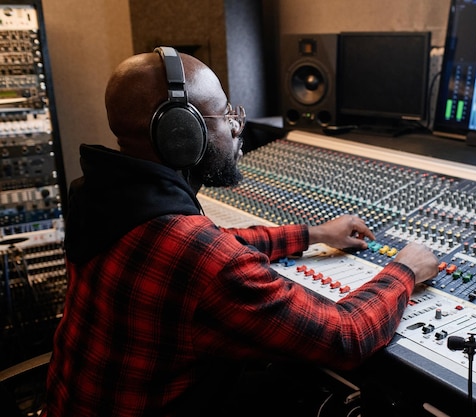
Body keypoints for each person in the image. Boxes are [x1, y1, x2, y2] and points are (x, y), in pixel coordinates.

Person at [43, 47, 439, 416]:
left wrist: (314, 233)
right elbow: (345, 338)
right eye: (224, 115)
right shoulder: (201, 257)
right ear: (181, 133)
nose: (236, 126)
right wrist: (403, 270)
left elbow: (213, 244)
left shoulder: (102, 194)